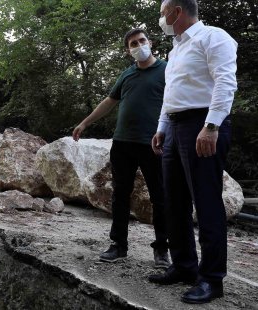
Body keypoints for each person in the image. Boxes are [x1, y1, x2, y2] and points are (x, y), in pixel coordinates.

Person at [148, 0, 237, 304]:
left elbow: (226, 81)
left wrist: (212, 126)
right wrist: (161, 127)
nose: (161, 19)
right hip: (174, 127)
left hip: (203, 123)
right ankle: (184, 265)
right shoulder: (175, 50)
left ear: (177, 11)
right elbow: (171, 94)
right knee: (174, 201)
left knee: (206, 200)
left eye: (163, 13)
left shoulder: (214, 37)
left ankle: (212, 279)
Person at [72, 28, 169, 269]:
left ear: (151, 42)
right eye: (133, 43)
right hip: (123, 143)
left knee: (160, 197)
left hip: (153, 144)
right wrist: (85, 122)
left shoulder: (167, 70)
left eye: (142, 40)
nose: (139, 45)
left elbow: (178, 101)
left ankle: (162, 250)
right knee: (120, 195)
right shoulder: (127, 75)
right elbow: (109, 101)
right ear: (128, 51)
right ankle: (118, 246)